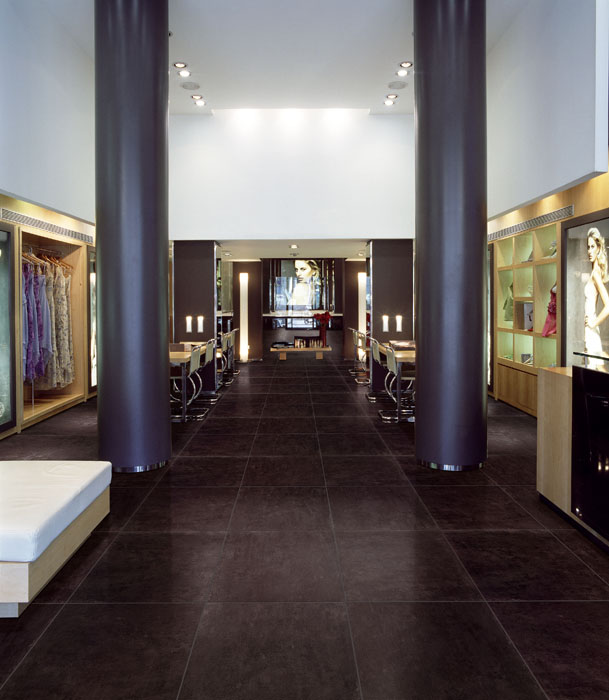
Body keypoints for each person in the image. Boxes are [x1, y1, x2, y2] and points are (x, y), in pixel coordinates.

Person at [584, 227, 609, 363]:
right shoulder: (594, 272)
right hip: (589, 330)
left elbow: (608, 307)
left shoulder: (595, 274)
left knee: (592, 371)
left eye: (592, 246)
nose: (589, 251)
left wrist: (593, 323)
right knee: (590, 370)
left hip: (591, 330)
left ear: (598, 248)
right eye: (588, 247)